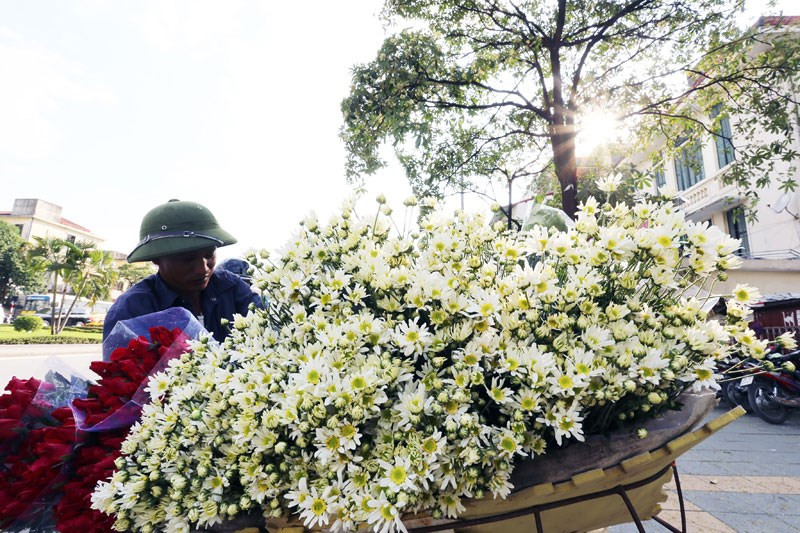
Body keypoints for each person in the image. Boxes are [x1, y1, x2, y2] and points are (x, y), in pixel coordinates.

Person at [103, 199, 262, 344]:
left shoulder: (232, 288)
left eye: (209, 255)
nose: (202, 268)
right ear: (156, 258)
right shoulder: (131, 310)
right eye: (188, 259)